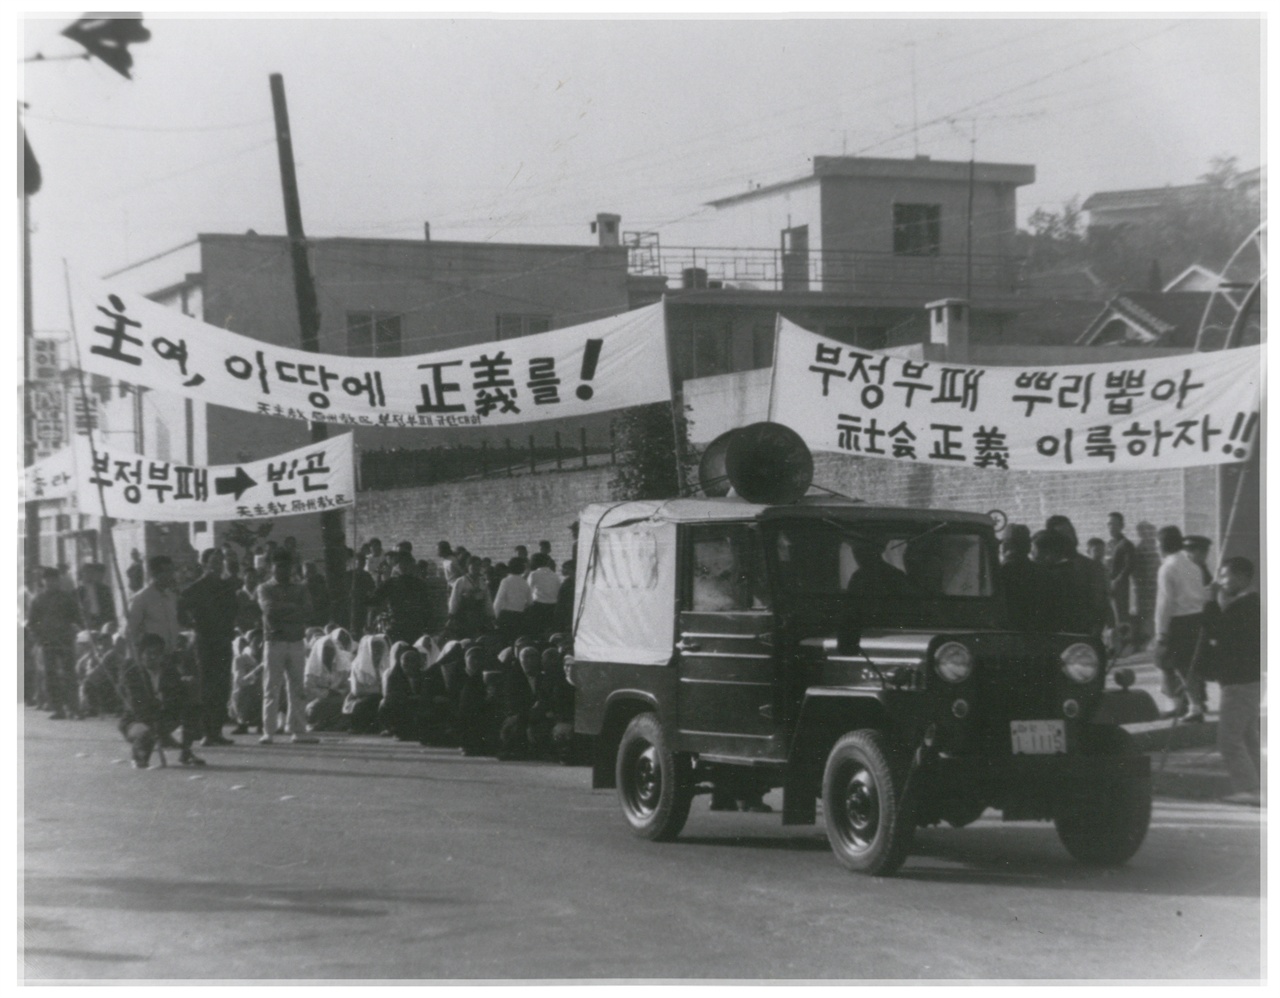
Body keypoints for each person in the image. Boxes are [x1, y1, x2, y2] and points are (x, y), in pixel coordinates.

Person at [1200, 556, 1261, 806]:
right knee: (1247, 736)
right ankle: (1261, 784)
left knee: (1228, 740)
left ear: (1243, 577)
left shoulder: (1244, 606)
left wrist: (1210, 603)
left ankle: (1250, 788)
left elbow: (1216, 630)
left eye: (1226, 576)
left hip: (1239, 682)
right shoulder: (1250, 604)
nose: (1222, 582)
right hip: (1246, 680)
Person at [178, 548, 240, 747]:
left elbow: (234, 610)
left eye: (221, 561)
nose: (218, 564)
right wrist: (192, 624)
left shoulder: (226, 586)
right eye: (214, 561)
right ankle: (206, 732)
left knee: (222, 686)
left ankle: (217, 731)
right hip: (205, 641)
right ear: (205, 563)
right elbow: (181, 607)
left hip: (223, 639)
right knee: (206, 686)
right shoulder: (196, 587)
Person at [255, 550, 318, 744]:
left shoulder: (301, 588)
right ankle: (269, 731)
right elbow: (269, 611)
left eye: (286, 565)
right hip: (275, 641)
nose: (283, 569)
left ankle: (298, 729)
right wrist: (293, 609)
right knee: (271, 686)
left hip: (296, 641)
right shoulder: (264, 588)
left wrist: (285, 610)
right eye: (279, 565)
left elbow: (308, 610)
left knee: (297, 686)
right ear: (272, 567)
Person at [119, 633, 204, 768]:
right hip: (136, 721)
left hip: (162, 717)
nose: (153, 657)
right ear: (141, 654)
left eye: (157, 653)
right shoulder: (132, 674)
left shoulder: (169, 672)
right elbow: (136, 704)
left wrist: (185, 688)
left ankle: (186, 752)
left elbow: (179, 697)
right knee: (146, 733)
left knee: (192, 707)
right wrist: (152, 708)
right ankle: (139, 753)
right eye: (149, 653)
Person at [1154, 525, 1209, 721]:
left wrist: (1161, 631)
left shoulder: (1167, 568)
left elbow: (1165, 602)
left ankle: (1187, 705)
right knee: (1185, 666)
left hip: (1177, 621)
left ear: (1161, 544)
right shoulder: (1193, 566)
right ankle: (1190, 705)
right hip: (1196, 618)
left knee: (1168, 663)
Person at [27, 566, 84, 719]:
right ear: (43, 581)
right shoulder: (38, 600)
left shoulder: (67, 598)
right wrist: (38, 638)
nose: (52, 583)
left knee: (69, 674)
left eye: (55, 580)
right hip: (47, 641)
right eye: (48, 580)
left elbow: (77, 617)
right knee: (50, 675)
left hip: (65, 640)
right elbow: (31, 623)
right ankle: (58, 708)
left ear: (59, 581)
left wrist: (81, 628)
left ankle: (74, 707)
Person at [368, 550, 433, 645]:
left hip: (396, 624)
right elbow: (428, 607)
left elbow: (374, 600)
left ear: (398, 566)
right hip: (415, 626)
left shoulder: (391, 583)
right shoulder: (420, 584)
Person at [127, 556, 182, 659]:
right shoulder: (141, 598)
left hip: (170, 656)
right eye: (167, 571)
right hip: (152, 658)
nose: (171, 575)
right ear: (155, 574)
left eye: (172, 571)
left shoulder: (171, 597)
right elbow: (131, 631)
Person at [304, 630, 353, 731]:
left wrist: (339, 692)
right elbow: (308, 687)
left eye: (331, 650)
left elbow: (347, 685)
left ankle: (329, 725)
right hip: (316, 701)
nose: (328, 653)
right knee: (315, 708)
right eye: (325, 650)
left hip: (337, 699)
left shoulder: (341, 668)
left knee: (346, 705)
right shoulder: (312, 668)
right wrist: (326, 693)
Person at [378, 643, 425, 741]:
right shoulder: (394, 676)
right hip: (402, 706)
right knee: (384, 703)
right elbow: (391, 695)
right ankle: (394, 729)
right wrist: (409, 698)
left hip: (419, 706)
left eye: (413, 661)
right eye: (405, 662)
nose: (409, 665)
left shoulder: (424, 676)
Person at [344, 634, 391, 733]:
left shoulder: (386, 665)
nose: (378, 651)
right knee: (366, 704)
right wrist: (379, 690)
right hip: (361, 698)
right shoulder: (357, 667)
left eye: (380, 648)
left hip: (381, 697)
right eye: (375, 648)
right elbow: (357, 690)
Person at [1105, 512, 1136, 653]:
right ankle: (1114, 645)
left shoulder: (1126, 544)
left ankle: (1127, 645)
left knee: (1121, 615)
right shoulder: (1109, 544)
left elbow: (1129, 566)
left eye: (1114, 524)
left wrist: (1117, 581)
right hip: (1107, 584)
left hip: (1120, 586)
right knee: (1110, 616)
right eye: (1109, 524)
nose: (1111, 527)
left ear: (1122, 526)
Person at [999, 524, 1039, 631]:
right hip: (1036, 631)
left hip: (1005, 630)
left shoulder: (999, 572)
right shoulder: (1041, 571)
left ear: (1004, 546)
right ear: (1028, 546)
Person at [449, 556, 495, 639]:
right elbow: (454, 599)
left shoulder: (482, 582)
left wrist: (491, 615)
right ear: (468, 566)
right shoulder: (461, 581)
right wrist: (452, 615)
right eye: (473, 565)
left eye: (478, 565)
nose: (475, 567)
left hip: (479, 614)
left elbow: (488, 600)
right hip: (465, 614)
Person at [229, 631, 265, 735]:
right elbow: (240, 681)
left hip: (260, 694)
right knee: (243, 691)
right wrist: (258, 670)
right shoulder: (240, 659)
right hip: (244, 696)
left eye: (263, 642)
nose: (260, 645)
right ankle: (242, 722)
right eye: (256, 642)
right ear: (249, 644)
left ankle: (263, 723)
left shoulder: (270, 659)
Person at [493, 557, 532, 645]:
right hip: (519, 617)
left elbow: (499, 600)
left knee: (504, 642)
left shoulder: (506, 581)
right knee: (517, 642)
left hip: (506, 616)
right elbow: (530, 602)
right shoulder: (525, 583)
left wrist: (494, 617)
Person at [526, 553, 562, 640]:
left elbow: (527, 591)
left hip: (538, 606)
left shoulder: (533, 574)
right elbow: (558, 591)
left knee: (537, 632)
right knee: (548, 631)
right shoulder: (555, 575)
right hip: (552, 607)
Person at [77, 563, 117, 631]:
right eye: (86, 572)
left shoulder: (104, 590)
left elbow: (110, 608)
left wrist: (113, 623)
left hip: (101, 621)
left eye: (91, 572)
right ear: (82, 574)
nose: (89, 575)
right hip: (85, 624)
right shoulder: (77, 592)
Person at [303, 562, 331, 626]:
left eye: (311, 571)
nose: (309, 574)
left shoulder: (321, 583)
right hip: (310, 616)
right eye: (307, 572)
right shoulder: (303, 585)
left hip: (321, 614)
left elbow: (326, 597)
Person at [555, 558, 576, 636]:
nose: (562, 571)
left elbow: (561, 598)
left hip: (567, 611)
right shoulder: (571, 581)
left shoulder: (567, 583)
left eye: (565, 568)